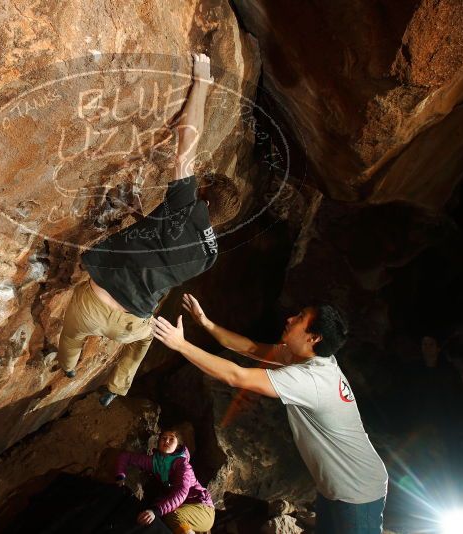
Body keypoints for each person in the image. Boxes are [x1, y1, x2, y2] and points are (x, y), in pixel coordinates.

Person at [57, 53, 241, 406]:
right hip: (130, 325)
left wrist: (202, 81)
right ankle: (116, 389)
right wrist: (145, 219)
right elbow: (164, 249)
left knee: (71, 336)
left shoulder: (186, 205)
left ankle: (68, 367)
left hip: (93, 305)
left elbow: (187, 143)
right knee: (144, 341)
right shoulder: (210, 256)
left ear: (202, 196)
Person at [152, 295, 389, 533]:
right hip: (335, 488)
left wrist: (181, 345)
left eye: (300, 318)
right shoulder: (308, 357)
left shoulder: (312, 380)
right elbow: (251, 348)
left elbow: (236, 376)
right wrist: (205, 323)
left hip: (358, 491)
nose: (290, 318)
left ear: (313, 337)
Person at [116, 428, 215, 534]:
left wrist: (156, 510)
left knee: (171, 516)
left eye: (171, 439)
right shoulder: (155, 462)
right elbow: (126, 457)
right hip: (185, 510)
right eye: (164, 438)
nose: (166, 441)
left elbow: (181, 492)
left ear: (178, 445)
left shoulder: (183, 465)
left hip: (202, 509)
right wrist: (120, 476)